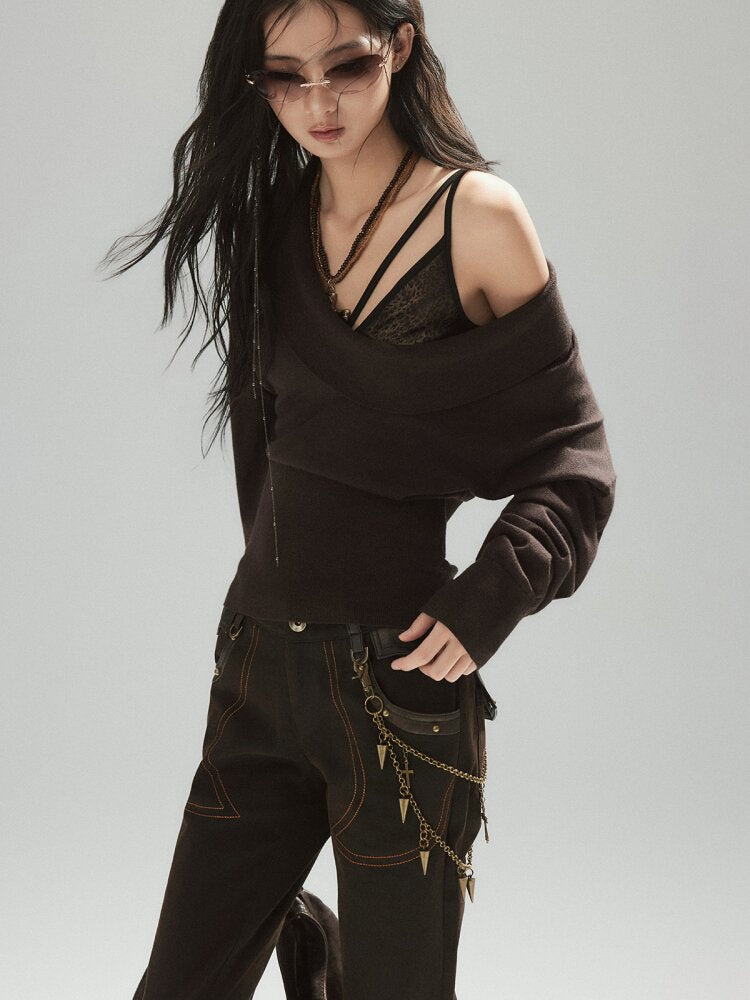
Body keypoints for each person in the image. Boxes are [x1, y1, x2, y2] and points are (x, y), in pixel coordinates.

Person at [102, 2, 617, 997]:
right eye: (285, 77)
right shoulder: (271, 223)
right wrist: (270, 594)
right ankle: (312, 944)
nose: (318, 103)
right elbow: (268, 444)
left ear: (402, 45)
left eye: (346, 66)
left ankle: (328, 962)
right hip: (259, 669)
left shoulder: (477, 219)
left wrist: (489, 599)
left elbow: (577, 460)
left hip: (398, 689)